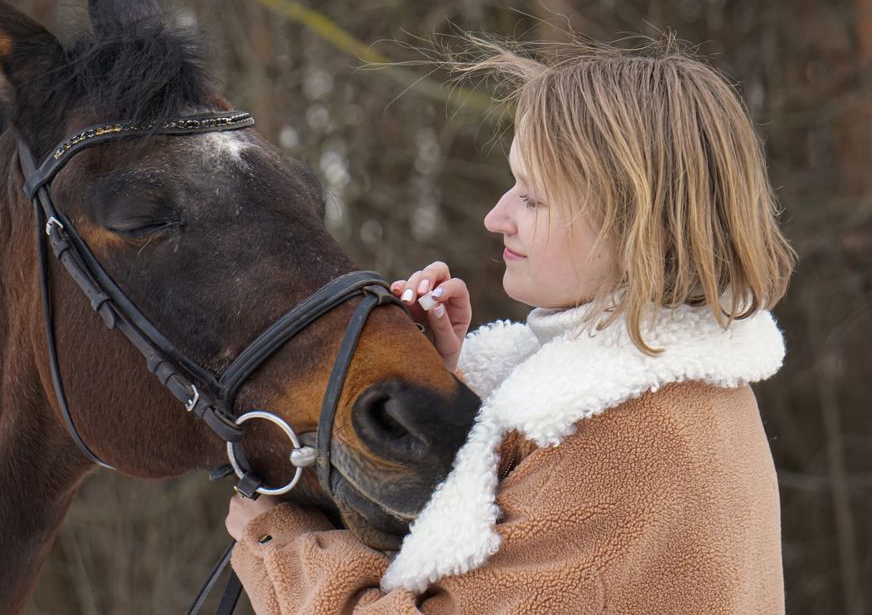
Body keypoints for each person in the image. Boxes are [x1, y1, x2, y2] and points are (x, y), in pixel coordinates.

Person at [225, 36, 795, 613]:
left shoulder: (628, 441)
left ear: (642, 225)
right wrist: (444, 389)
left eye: (534, 198)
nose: (496, 216)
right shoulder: (678, 398)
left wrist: (281, 545)